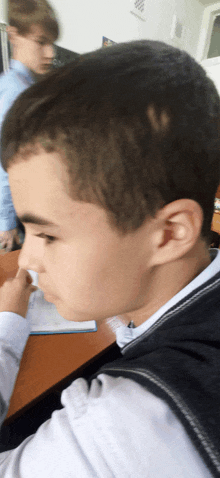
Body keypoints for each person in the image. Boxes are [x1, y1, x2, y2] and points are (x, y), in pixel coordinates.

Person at [0, 40, 220, 477]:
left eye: (47, 234)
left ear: (170, 232)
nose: (30, 259)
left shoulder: (117, 429)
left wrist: (7, 327)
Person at [0, 0, 59, 253]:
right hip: (16, 217)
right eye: (41, 42)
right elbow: (6, 162)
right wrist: (6, 222)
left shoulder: (27, 87)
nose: (51, 53)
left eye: (52, 43)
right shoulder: (16, 92)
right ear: (14, 36)